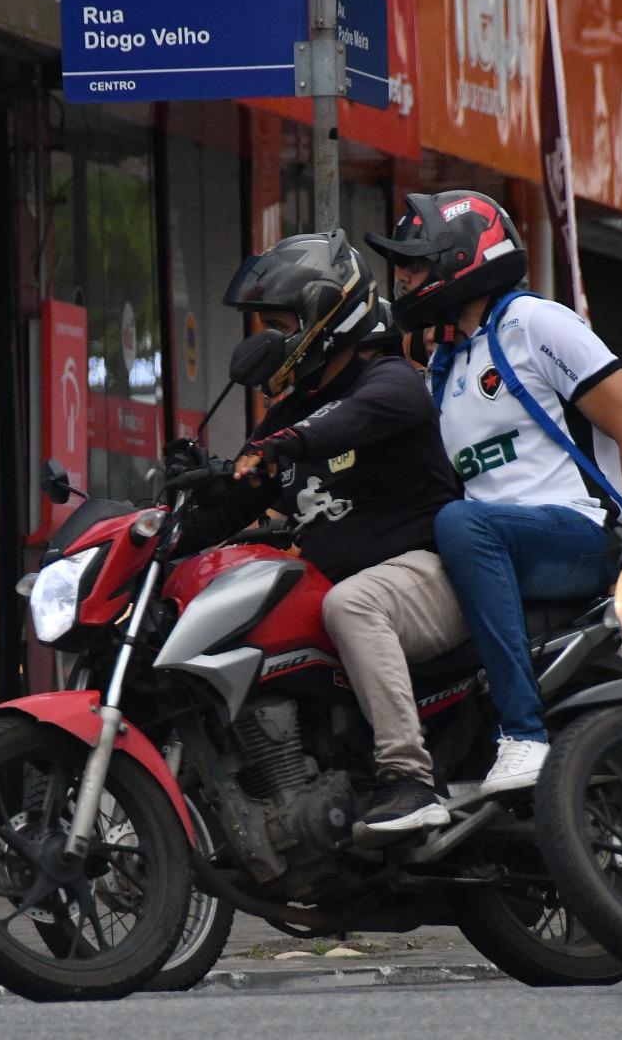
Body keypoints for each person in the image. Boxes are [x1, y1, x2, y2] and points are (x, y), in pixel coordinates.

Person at [367, 191, 622, 795]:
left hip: (582, 534)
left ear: (460, 258)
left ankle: (524, 735)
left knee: (460, 522)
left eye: (414, 264)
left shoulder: (533, 323)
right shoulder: (447, 361)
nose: (401, 278)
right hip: (500, 549)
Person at [177, 231, 471, 843]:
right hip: (347, 594)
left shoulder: (389, 380)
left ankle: (409, 779)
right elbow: (229, 507)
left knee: (351, 603)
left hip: (428, 579)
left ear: (323, 319)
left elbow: (358, 416)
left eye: (280, 324)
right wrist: (154, 528)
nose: (267, 340)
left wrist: (287, 444)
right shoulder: (287, 417)